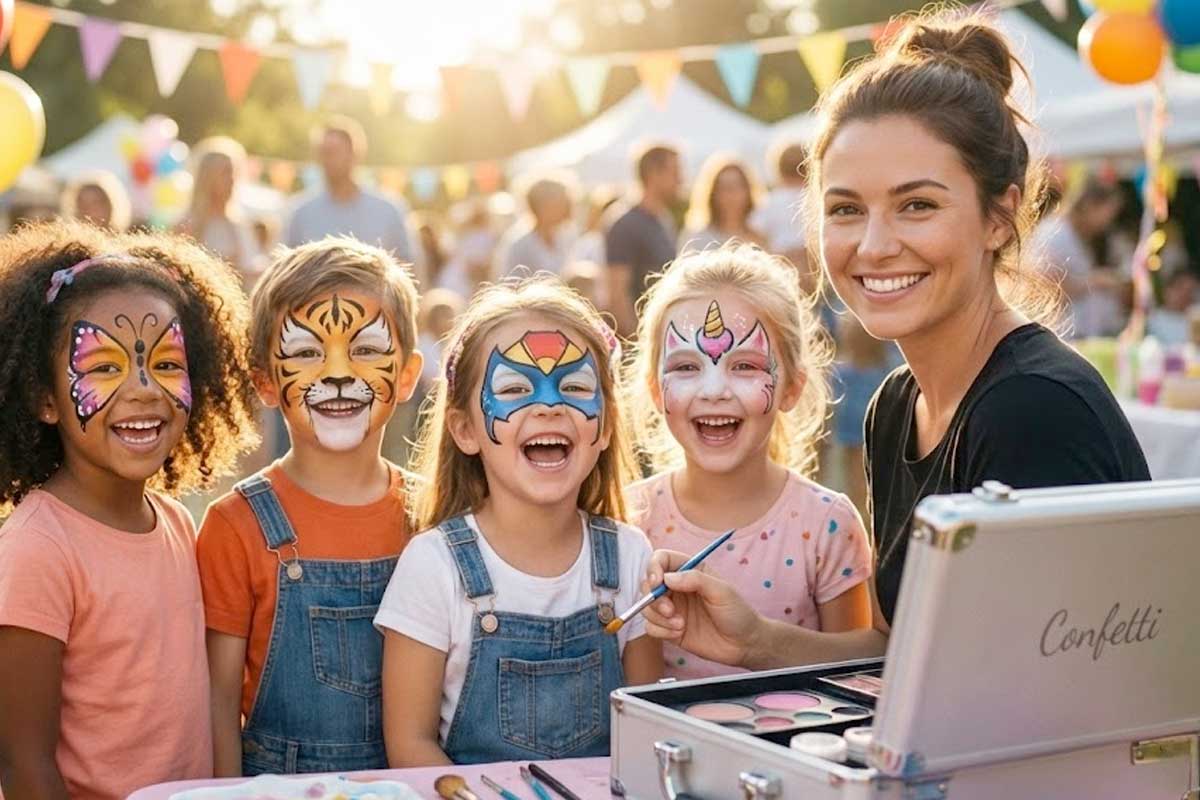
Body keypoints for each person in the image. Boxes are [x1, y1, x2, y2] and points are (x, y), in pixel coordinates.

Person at [639, 10, 1150, 671]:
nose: (874, 246)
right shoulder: (895, 406)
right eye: (847, 209)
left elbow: (1052, 696)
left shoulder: (1032, 411)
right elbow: (897, 649)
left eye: (917, 205)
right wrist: (756, 643)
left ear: (999, 217)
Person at [0, 220, 259, 800]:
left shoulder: (176, 522)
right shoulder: (37, 549)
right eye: (105, 367)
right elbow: (25, 769)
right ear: (45, 398)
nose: (144, 388)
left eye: (166, 364)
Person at [376, 277, 662, 766]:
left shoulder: (632, 556)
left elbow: (647, 731)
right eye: (513, 388)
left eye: (573, 386)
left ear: (606, 426)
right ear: (465, 429)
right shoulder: (433, 565)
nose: (549, 404)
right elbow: (410, 745)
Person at [197, 237, 425, 776]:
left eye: (367, 349)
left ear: (409, 375)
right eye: (305, 352)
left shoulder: (436, 513)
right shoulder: (236, 526)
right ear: (266, 381)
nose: (339, 373)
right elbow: (217, 705)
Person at [626, 244, 872, 680]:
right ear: (654, 388)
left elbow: (855, 676)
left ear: (791, 387)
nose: (714, 390)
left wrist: (759, 643)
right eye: (686, 367)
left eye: (744, 366)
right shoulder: (630, 521)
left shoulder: (826, 523)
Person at [283, 116, 416, 270]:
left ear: (354, 154)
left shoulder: (389, 209)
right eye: (323, 152)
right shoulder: (300, 212)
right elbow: (286, 269)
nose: (327, 160)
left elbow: (408, 268)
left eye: (334, 152)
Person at [1034, 176, 1126, 338]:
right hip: (1060, 336)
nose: (1108, 222)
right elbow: (1046, 288)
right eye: (1108, 213)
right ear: (1090, 206)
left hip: (1080, 335)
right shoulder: (1054, 234)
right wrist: (1095, 281)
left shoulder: (1079, 236)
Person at [606, 143, 683, 336]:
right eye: (674, 172)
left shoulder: (664, 219)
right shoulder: (625, 223)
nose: (681, 180)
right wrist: (638, 344)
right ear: (653, 174)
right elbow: (617, 295)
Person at [176, 137, 263, 287]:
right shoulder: (188, 223)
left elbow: (251, 264)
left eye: (233, 172)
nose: (232, 179)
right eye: (225, 172)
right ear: (208, 177)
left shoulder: (240, 223)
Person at [678, 155, 765, 253]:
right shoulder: (695, 238)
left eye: (738, 186)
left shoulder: (761, 236)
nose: (731, 194)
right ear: (712, 193)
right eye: (724, 187)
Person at [495, 175, 577, 277]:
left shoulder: (568, 236)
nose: (567, 208)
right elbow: (509, 283)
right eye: (562, 202)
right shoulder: (519, 244)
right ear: (542, 207)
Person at [61, 170, 131, 232]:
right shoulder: (66, 245)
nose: (90, 211)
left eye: (97, 203)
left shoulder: (123, 245)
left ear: (110, 206)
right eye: (84, 205)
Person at [1147, 267, 1198, 346]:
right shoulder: (1151, 319)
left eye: (1189, 291)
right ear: (1167, 290)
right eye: (1180, 288)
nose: (1184, 295)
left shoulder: (1195, 319)